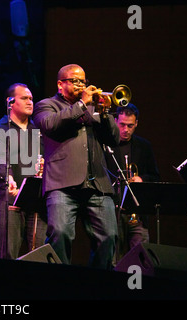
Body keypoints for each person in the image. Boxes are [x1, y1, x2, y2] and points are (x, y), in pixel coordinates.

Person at [32, 64, 120, 269]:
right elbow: (50, 125)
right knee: (60, 234)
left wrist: (105, 112)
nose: (81, 85)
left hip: (97, 183)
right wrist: (82, 104)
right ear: (60, 84)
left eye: (83, 81)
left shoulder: (94, 107)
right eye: (75, 81)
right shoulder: (46, 105)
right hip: (62, 183)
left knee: (110, 236)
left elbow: (114, 139)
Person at [0, 83, 47, 259]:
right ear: (11, 102)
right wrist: (8, 178)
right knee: (8, 252)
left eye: (31, 98)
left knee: (38, 253)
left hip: (36, 199)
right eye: (24, 98)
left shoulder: (39, 130)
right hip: (10, 199)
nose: (30, 102)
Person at [104, 104, 160, 257]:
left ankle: (137, 282)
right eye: (122, 124)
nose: (125, 130)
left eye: (130, 125)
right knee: (113, 257)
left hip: (137, 211)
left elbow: (155, 176)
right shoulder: (105, 145)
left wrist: (141, 179)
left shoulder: (144, 146)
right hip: (113, 210)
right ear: (115, 121)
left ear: (136, 124)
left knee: (141, 257)